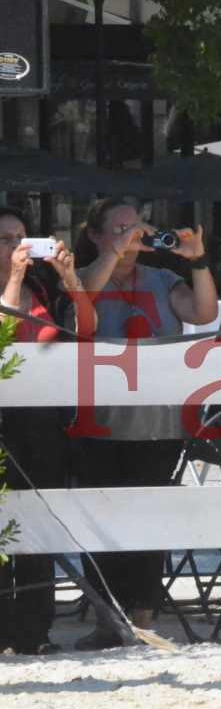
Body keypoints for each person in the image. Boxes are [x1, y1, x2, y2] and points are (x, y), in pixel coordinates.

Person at [72, 199, 217, 649]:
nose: (133, 236)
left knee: (150, 518)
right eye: (119, 228)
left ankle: (143, 615)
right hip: (96, 420)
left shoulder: (161, 279)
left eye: (137, 228)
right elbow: (83, 298)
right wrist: (114, 252)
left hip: (156, 420)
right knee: (101, 518)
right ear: (95, 235)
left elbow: (203, 312)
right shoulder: (81, 273)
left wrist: (198, 261)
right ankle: (108, 617)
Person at [0, 209, 92, 655]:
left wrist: (69, 278)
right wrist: (13, 279)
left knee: (38, 528)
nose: (16, 247)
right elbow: (3, 334)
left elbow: (88, 327)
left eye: (22, 237)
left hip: (42, 419)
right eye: (5, 239)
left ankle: (35, 629)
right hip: (4, 419)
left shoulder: (44, 287)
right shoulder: (19, 287)